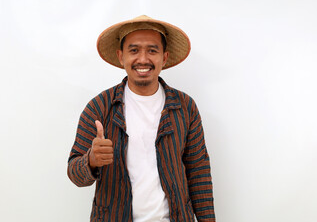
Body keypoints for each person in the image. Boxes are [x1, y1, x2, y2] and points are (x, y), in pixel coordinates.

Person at [67, 15, 215, 221]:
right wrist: (91, 160)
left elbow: (198, 172)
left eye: (152, 50)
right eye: (134, 50)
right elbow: (75, 174)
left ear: (164, 57)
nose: (143, 59)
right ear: (121, 57)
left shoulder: (185, 107)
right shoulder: (99, 107)